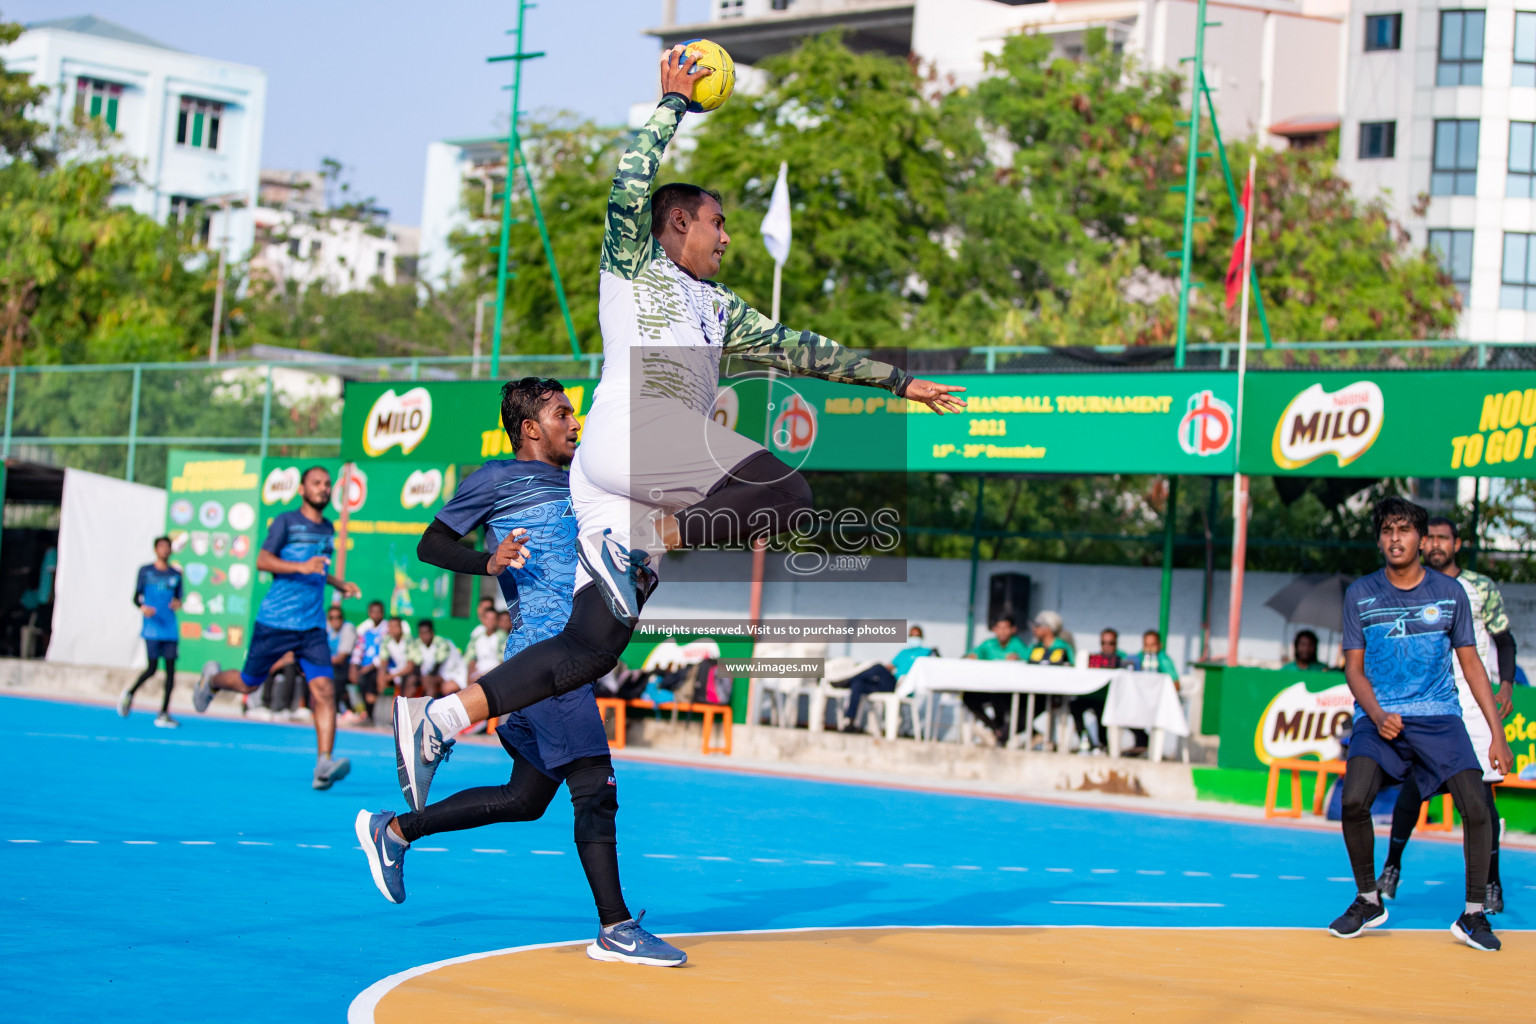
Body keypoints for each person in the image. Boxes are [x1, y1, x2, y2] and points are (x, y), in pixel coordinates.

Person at [391, 46, 964, 816]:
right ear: (676, 225)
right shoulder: (632, 263)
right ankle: (650, 536)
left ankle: (442, 716)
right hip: (634, 434)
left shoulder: (720, 308)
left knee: (590, 648)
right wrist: (672, 104)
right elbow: (629, 183)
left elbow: (805, 350)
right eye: (717, 224)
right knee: (787, 492)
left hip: (617, 474)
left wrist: (900, 382)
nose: (726, 238)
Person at [357, 377, 685, 967]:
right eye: (563, 414)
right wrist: (488, 560)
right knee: (595, 787)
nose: (574, 424)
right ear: (530, 427)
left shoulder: (584, 480)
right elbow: (431, 544)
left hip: (571, 656)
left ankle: (396, 830)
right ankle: (614, 927)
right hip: (544, 653)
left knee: (525, 797)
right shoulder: (493, 480)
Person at [1327, 497, 1512, 952]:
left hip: (1439, 717)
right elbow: (1353, 668)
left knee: (1477, 806)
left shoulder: (1451, 595)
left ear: (1421, 539)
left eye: (1405, 530)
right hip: (1380, 717)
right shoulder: (1360, 594)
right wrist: (1377, 714)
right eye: (1387, 530)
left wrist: (1497, 733)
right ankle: (1369, 899)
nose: (1396, 538)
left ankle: (1472, 914)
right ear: (1379, 539)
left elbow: (1471, 663)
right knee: (1354, 801)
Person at [1378, 514, 1519, 914]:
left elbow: (1504, 641)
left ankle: (1490, 885)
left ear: (1457, 544)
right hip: (1428, 703)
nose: (1437, 544)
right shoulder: (1410, 584)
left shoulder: (1479, 589)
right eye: (1431, 538)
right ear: (1421, 544)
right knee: (1412, 790)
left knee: (1481, 800)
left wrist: (1505, 684)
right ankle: (1391, 867)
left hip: (1473, 708)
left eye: (1444, 538)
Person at [192, 466, 361, 789]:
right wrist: (300, 566)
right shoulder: (286, 521)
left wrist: (338, 584)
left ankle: (324, 764)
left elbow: (318, 570)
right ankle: (212, 679)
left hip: (311, 626)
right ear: (302, 489)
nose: (323, 489)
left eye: (327, 484)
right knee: (247, 684)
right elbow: (263, 560)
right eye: (316, 483)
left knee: (325, 690)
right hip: (276, 621)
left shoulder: (327, 528)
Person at [118, 536, 183, 728]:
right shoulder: (145, 571)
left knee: (171, 673)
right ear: (155, 550)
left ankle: (164, 712)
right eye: (161, 547)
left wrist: (178, 603)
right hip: (152, 628)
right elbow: (135, 598)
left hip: (170, 629)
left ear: (171, 550)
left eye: (167, 547)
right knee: (152, 668)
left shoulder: (176, 574)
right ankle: (129, 693)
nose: (164, 550)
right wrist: (143, 607)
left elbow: (179, 598)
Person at [839, 625, 935, 733]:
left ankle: (848, 680)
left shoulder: (926, 652)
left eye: (917, 636)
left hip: (900, 686)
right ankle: (850, 721)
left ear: (922, 637)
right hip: (889, 683)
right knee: (858, 684)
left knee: (878, 667)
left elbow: (933, 664)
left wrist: (935, 653)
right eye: (911, 635)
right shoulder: (904, 652)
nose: (914, 638)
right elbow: (890, 667)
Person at [961, 615, 1029, 744]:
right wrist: (971, 656)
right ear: (994, 630)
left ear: (1012, 629)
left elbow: (1028, 659)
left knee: (1002, 699)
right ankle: (995, 728)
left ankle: (1000, 733)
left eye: (1006, 628)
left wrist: (1018, 659)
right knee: (968, 697)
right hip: (989, 688)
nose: (1002, 632)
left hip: (1009, 691)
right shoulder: (989, 644)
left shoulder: (1017, 645)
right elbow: (973, 653)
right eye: (999, 628)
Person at [351, 601, 387, 722]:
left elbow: (384, 653)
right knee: (358, 680)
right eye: (373, 611)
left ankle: (370, 716)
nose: (375, 614)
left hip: (378, 668)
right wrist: (354, 666)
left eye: (378, 611)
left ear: (382, 613)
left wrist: (370, 667)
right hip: (364, 668)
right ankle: (361, 713)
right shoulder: (366, 631)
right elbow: (358, 649)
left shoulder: (387, 630)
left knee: (371, 680)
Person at [412, 621, 458, 698]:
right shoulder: (417, 643)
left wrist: (425, 678)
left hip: (450, 674)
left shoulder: (442, 643)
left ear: (432, 632)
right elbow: (417, 665)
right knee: (411, 680)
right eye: (421, 633)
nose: (424, 636)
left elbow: (437, 668)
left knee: (430, 681)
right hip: (432, 675)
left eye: (426, 633)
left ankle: (426, 708)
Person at [466, 604, 508, 688]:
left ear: (497, 621)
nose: (490, 622)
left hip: (494, 673)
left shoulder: (502, 637)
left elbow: (503, 661)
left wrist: (483, 675)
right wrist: (470, 674)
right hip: (477, 671)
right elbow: (471, 657)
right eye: (488, 619)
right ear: (483, 620)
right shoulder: (478, 637)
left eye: (493, 619)